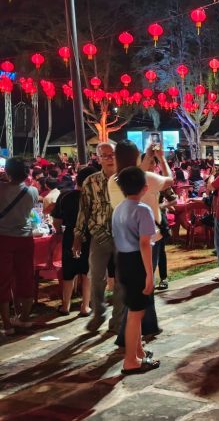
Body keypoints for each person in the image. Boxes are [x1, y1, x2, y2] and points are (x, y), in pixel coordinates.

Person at [111, 166, 160, 375]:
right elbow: (144, 243)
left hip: (122, 260)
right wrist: (150, 274)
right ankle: (130, 360)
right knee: (135, 313)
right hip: (136, 261)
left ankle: (138, 352)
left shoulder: (118, 208)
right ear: (145, 187)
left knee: (134, 310)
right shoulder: (142, 209)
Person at [73, 142, 124, 333]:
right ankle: (98, 313)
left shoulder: (125, 178)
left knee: (122, 279)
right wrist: (78, 235)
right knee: (95, 277)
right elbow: (84, 209)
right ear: (98, 158)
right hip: (99, 234)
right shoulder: (91, 181)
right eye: (105, 155)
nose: (110, 158)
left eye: (113, 154)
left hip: (123, 234)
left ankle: (118, 319)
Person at [0, 157, 39, 336]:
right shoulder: (33, 191)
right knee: (25, 277)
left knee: (3, 281)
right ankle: (24, 318)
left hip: (3, 238)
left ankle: (7, 325)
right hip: (25, 238)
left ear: (7, 172)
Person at [52, 166, 97, 316]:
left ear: (77, 180)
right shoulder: (95, 198)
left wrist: (59, 232)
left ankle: (66, 306)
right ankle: (85, 306)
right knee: (87, 271)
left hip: (70, 236)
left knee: (68, 272)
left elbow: (57, 222)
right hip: (90, 237)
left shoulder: (64, 196)